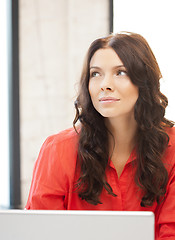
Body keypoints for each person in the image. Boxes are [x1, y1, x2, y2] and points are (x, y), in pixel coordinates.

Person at [26, 32, 175, 239]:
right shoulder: (57, 150)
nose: (105, 84)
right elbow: (40, 233)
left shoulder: (172, 148)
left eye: (120, 72)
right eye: (95, 74)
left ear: (144, 82)